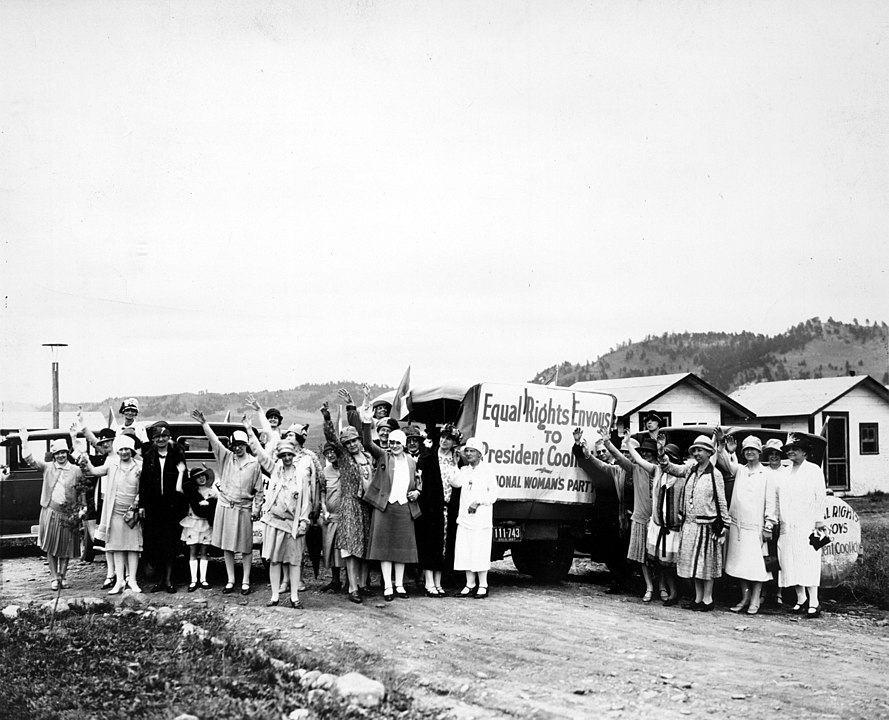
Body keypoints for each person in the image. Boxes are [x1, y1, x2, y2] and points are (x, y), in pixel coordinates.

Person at [192, 410, 264, 595]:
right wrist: (204, 423)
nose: (237, 448)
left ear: (246, 445)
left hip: (244, 508)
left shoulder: (254, 464)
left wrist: (257, 507)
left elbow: (259, 490)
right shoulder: (226, 458)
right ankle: (231, 580)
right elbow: (215, 441)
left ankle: (246, 581)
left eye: (241, 445)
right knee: (227, 546)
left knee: (246, 547)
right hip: (225, 506)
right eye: (235, 445)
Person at [244, 422, 313, 609]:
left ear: (294, 455)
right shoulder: (275, 470)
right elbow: (259, 453)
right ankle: (274, 596)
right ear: (280, 456)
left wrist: (304, 522)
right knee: (274, 560)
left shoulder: (301, 476)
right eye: (283, 455)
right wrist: (250, 431)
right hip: (274, 521)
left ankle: (294, 597)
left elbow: (306, 501)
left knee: (294, 561)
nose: (287, 458)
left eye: (290, 455)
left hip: (293, 523)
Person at [659, 434, 730, 611]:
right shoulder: (690, 469)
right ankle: (697, 598)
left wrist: (725, 525)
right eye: (695, 450)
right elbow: (670, 468)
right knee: (694, 564)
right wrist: (661, 451)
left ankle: (708, 599)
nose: (697, 453)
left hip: (707, 525)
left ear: (709, 452)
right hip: (689, 524)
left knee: (706, 564)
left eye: (701, 450)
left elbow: (721, 501)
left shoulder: (715, 474)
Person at [766, 433, 828, 618]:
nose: (791, 452)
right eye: (789, 449)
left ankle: (814, 602)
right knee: (789, 562)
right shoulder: (783, 472)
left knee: (807, 561)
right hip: (787, 526)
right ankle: (800, 599)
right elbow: (775, 499)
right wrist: (772, 521)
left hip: (807, 525)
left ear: (805, 452)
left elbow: (820, 497)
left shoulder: (813, 470)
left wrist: (819, 520)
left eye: (795, 448)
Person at [596, 428, 658, 602]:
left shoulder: (659, 470)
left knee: (658, 557)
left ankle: (661, 588)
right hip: (639, 518)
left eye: (649, 453)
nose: (646, 455)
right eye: (643, 453)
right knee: (642, 556)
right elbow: (620, 459)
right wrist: (608, 443)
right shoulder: (635, 469)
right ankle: (649, 587)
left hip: (658, 520)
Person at [20, 430, 85, 590]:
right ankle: (54, 578)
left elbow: (82, 489)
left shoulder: (76, 470)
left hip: (69, 514)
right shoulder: (48, 467)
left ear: (67, 453)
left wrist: (82, 509)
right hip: (50, 511)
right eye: (57, 453)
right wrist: (25, 441)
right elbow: (30, 460)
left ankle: (63, 576)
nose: (61, 456)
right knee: (50, 546)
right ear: (54, 455)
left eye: (63, 452)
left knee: (66, 547)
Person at [320, 401, 372, 604]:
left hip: (366, 506)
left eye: (353, 441)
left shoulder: (367, 457)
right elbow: (331, 437)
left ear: (359, 440)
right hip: (349, 506)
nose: (351, 445)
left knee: (364, 547)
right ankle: (352, 588)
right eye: (347, 442)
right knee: (350, 548)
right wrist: (327, 418)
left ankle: (362, 584)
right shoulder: (344, 458)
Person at [362, 428, 421, 600]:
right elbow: (367, 443)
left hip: (404, 507)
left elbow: (417, 483)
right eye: (392, 442)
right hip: (385, 507)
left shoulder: (411, 461)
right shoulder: (384, 457)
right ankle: (388, 585)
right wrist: (365, 420)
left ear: (403, 444)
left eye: (397, 443)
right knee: (384, 548)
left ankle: (399, 585)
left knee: (401, 548)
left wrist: (417, 492)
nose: (394, 446)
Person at [571, 429, 631, 595]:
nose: (602, 454)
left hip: (621, 515)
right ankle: (618, 579)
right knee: (607, 550)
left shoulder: (620, 468)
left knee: (622, 551)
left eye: (604, 451)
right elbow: (582, 459)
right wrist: (577, 444)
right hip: (603, 516)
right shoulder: (597, 469)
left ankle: (623, 580)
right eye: (599, 452)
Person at [720, 436, 774, 615]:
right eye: (747, 450)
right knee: (740, 564)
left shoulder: (767, 474)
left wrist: (768, 525)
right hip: (738, 526)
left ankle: (756, 599)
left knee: (756, 565)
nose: (750, 452)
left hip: (757, 527)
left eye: (753, 449)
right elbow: (723, 461)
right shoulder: (740, 470)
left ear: (759, 452)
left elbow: (771, 502)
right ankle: (744, 597)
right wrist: (726, 448)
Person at [87, 434, 145, 594]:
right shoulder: (112, 464)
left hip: (132, 513)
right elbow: (94, 471)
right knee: (116, 547)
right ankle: (119, 581)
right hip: (115, 512)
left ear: (132, 450)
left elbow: (144, 488)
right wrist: (83, 455)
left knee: (133, 548)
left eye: (127, 449)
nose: (124, 452)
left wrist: (137, 503)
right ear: (117, 451)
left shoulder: (140, 466)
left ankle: (132, 580)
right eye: (121, 449)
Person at [139, 421, 188, 593]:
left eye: (164, 436)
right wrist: (142, 505)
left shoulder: (177, 455)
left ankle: (168, 580)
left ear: (169, 438)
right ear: (153, 439)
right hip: (153, 507)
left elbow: (184, 481)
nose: (161, 439)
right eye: (157, 437)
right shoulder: (149, 455)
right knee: (155, 544)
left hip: (171, 506)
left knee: (170, 544)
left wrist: (181, 505)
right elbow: (143, 482)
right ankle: (159, 580)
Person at [416, 423, 463, 597]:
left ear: (454, 442)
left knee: (444, 546)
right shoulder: (427, 457)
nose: (444, 441)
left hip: (449, 508)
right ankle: (429, 583)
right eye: (443, 437)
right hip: (431, 508)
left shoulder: (456, 459)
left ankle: (438, 582)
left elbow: (458, 483)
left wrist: (457, 465)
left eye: (449, 439)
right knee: (430, 544)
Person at [449, 437, 498, 599]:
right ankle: (469, 584)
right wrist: (455, 465)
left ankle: (483, 585)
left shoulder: (487, 470)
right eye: (467, 451)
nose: (468, 454)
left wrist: (478, 502)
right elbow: (455, 483)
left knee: (480, 551)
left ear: (479, 454)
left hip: (481, 520)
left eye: (472, 451)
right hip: (465, 518)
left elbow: (494, 494)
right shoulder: (464, 470)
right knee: (465, 550)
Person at [646, 442, 687, 606]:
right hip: (659, 526)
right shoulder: (659, 475)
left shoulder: (681, 478)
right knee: (663, 563)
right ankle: (671, 591)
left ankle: (680, 591)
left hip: (675, 528)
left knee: (675, 563)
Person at [180, 467, 218, 591]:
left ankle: (203, 579)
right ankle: (193, 580)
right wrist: (181, 473)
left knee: (204, 551)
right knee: (192, 551)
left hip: (205, 523)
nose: (201, 478)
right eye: (197, 477)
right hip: (193, 522)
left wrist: (210, 503)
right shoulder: (191, 491)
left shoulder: (212, 492)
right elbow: (178, 489)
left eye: (203, 476)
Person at [319, 442, 345, 593]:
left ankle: (350, 581)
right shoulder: (325, 471)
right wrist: (323, 508)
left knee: (346, 549)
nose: (330, 455)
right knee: (331, 548)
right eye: (327, 453)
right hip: (331, 516)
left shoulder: (346, 469)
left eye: (332, 451)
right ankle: (335, 580)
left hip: (345, 516)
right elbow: (322, 492)